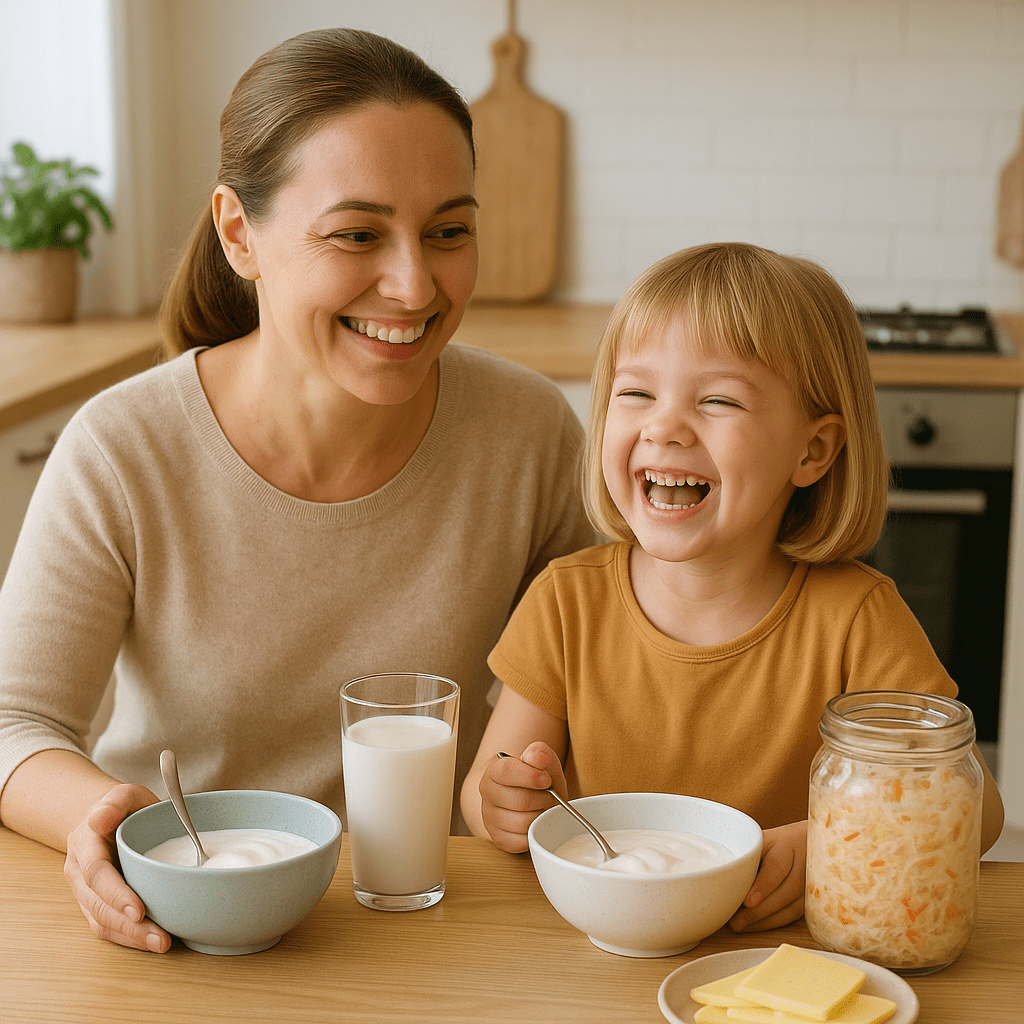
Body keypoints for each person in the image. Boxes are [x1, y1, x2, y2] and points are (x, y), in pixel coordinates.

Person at [0, 28, 593, 952]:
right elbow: (14, 722)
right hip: (186, 923)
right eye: (358, 234)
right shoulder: (124, 449)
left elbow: (596, 678)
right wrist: (103, 820)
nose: (414, 285)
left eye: (448, 232)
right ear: (240, 234)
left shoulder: (529, 433)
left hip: (430, 924)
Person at [461, 242, 1004, 932]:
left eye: (717, 400)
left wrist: (830, 843)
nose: (663, 426)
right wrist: (506, 804)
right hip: (599, 949)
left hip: (786, 958)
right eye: (636, 393)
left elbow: (976, 811)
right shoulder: (565, 603)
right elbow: (483, 794)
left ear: (813, 450)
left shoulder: (857, 620)